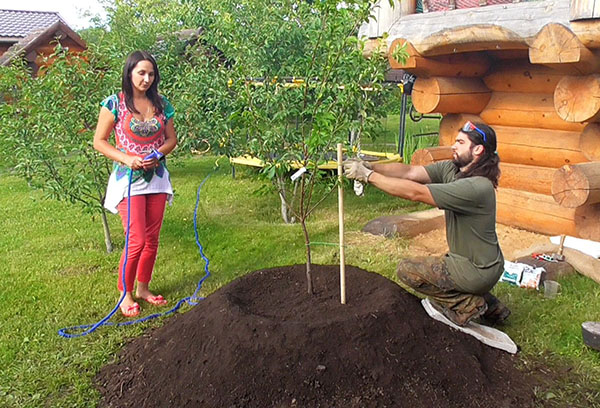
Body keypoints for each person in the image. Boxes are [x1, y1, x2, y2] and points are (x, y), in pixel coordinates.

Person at [344, 121, 510, 327]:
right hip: (482, 264)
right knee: (441, 266)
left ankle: (469, 305)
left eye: (460, 142)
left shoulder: (476, 187)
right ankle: (493, 307)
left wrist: (369, 176)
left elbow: (416, 192)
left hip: (477, 270)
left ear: (477, 149)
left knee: (408, 270)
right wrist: (371, 166)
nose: (453, 146)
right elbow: (410, 173)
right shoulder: (454, 170)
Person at [93, 50, 177, 318]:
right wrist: (126, 158)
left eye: (151, 74)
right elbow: (99, 141)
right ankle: (124, 293)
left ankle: (143, 288)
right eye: (141, 72)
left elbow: (171, 139)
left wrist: (158, 154)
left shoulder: (163, 104)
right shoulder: (114, 104)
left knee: (151, 240)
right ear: (129, 73)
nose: (146, 78)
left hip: (157, 179)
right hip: (128, 181)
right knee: (136, 240)